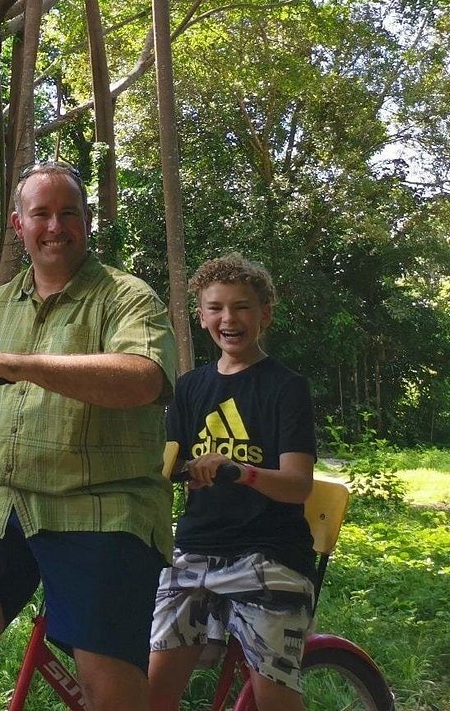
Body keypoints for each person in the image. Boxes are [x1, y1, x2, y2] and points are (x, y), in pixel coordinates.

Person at [0, 162, 177, 711]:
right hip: (10, 504)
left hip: (104, 507)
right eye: (42, 214)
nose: (56, 226)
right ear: (18, 224)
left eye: (68, 213)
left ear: (87, 221)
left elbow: (145, 378)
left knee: (110, 690)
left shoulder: (128, 296)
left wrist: (25, 364)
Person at [149, 254, 316, 711]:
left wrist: (239, 471)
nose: (229, 319)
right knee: (151, 693)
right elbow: (169, 466)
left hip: (270, 554)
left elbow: (299, 485)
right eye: (216, 307)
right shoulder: (188, 388)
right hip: (193, 551)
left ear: (265, 313)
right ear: (201, 317)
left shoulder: (286, 387)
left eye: (242, 307)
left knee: (274, 698)